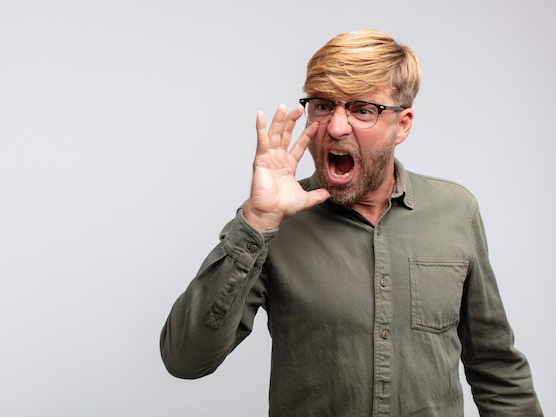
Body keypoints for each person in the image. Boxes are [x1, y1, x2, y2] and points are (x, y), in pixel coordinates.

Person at [159, 29, 543, 416]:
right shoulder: (274, 223)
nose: (337, 127)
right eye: (323, 105)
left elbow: (496, 368)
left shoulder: (457, 211)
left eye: (363, 109)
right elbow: (185, 360)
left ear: (403, 124)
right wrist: (257, 222)